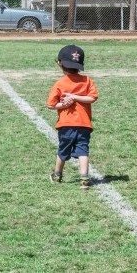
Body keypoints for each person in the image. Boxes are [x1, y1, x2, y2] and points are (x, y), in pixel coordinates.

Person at [47, 45, 99, 188]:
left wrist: (68, 102)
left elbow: (51, 105)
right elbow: (93, 98)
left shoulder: (59, 83)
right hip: (84, 125)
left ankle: (57, 175)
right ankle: (84, 177)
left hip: (66, 125)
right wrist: (77, 97)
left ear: (59, 63)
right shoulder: (87, 80)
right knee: (83, 150)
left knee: (63, 150)